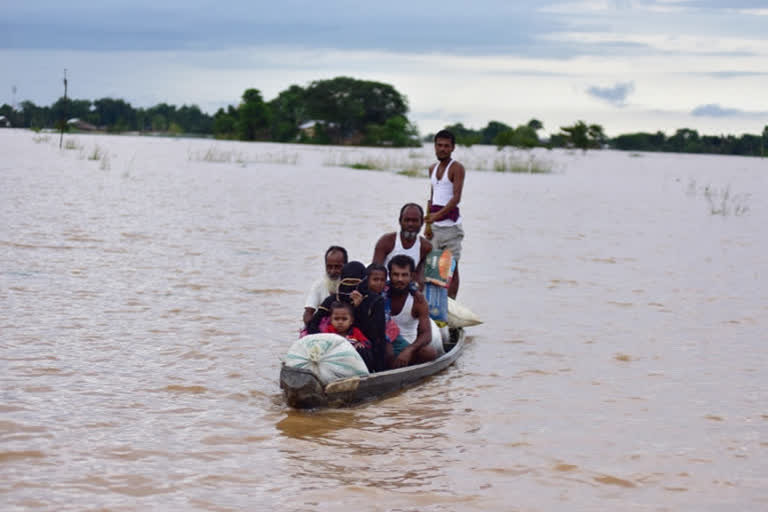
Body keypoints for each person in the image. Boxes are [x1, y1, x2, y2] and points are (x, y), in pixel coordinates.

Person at [307, 261, 389, 372]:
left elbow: (377, 336)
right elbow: (313, 323)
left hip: (363, 349)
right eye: (347, 283)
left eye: (355, 283)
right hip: (333, 348)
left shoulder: (374, 300)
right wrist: (321, 343)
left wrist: (360, 308)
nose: (351, 288)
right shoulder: (333, 299)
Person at [426, 129, 465, 299]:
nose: (442, 149)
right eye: (439, 145)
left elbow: (456, 198)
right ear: (434, 146)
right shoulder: (432, 169)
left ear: (452, 148)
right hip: (435, 228)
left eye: (446, 146)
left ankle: (451, 305)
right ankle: (436, 306)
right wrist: (427, 224)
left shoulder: (456, 168)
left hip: (450, 228)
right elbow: (432, 198)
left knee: (451, 269)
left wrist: (437, 216)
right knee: (434, 269)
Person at [385, 255, 437, 368]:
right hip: (385, 345)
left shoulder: (418, 300)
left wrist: (409, 350)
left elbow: (426, 335)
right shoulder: (381, 294)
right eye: (396, 274)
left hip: (408, 347)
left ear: (412, 276)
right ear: (389, 275)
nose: (400, 279)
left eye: (404, 275)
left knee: (429, 353)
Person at [372, 203, 433, 288]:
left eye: (415, 221)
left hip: (407, 289)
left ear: (422, 222)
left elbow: (419, 276)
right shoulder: (386, 241)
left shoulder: (425, 247)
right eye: (407, 220)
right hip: (386, 288)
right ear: (400, 221)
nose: (410, 224)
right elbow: (374, 273)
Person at [303, 246, 347, 326]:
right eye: (329, 267)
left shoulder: (353, 285)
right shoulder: (318, 285)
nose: (332, 271)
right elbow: (308, 313)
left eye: (337, 267)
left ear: (346, 266)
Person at [323, 301, 374, 371]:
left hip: (353, 362)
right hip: (335, 361)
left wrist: (360, 343)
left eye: (344, 319)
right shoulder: (329, 331)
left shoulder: (355, 331)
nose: (340, 322)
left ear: (351, 321)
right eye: (336, 319)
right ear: (331, 320)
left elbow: (367, 343)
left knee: (363, 350)